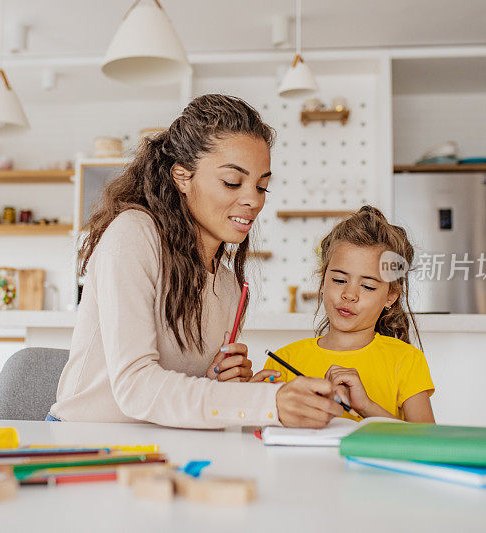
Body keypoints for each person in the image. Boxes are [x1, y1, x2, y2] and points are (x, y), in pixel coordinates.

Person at [49, 94, 341, 429]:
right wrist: (266, 403)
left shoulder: (229, 286)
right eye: (232, 182)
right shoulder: (134, 235)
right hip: (84, 444)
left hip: (164, 445)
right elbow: (137, 388)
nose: (252, 200)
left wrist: (225, 384)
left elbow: (177, 396)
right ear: (182, 177)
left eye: (262, 187)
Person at [263, 206, 436, 422]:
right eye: (339, 280)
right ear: (323, 279)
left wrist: (366, 406)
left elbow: (426, 441)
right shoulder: (283, 360)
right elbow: (259, 434)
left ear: (390, 296)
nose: (349, 295)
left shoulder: (407, 360)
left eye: (368, 286)